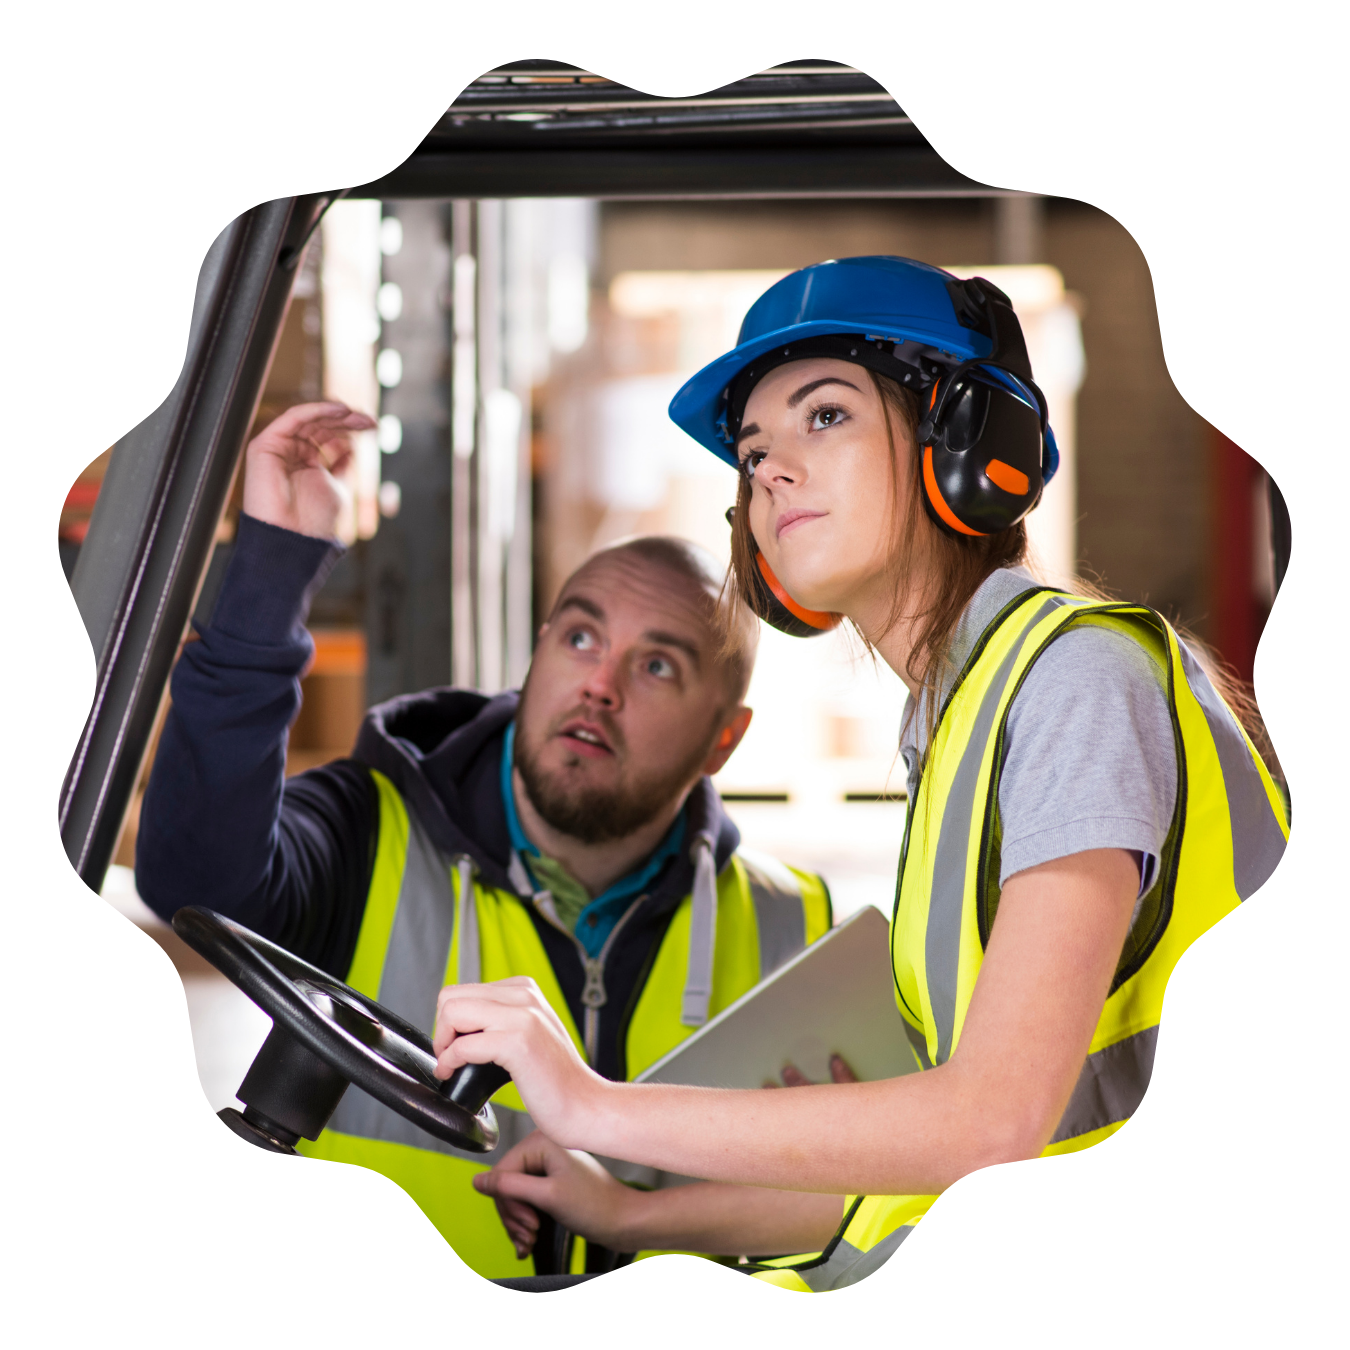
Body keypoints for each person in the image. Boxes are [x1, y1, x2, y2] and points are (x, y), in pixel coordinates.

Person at [429, 256, 1291, 1291]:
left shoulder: (1077, 680)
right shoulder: (965, 724)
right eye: (752, 455)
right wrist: (625, 1209)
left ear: (967, 442)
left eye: (824, 417)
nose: (772, 471)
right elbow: (919, 1170)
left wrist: (590, 1105)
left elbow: (994, 1121)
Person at [134, 402, 832, 1279]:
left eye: (657, 666)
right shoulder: (368, 829)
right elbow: (194, 878)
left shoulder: (792, 930)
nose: (600, 686)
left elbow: (850, 1216)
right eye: (580, 637)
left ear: (722, 740)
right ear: (538, 655)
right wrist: (275, 563)